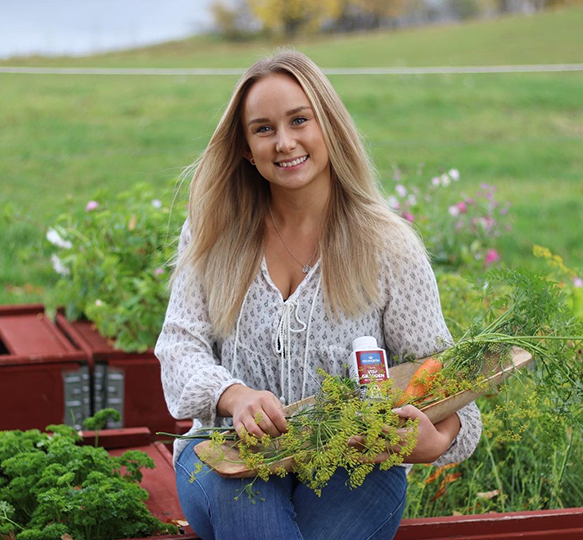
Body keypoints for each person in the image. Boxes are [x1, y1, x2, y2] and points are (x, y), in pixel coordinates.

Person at [155, 49, 481, 540]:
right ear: (245, 147)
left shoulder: (387, 246)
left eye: (299, 120)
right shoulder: (213, 233)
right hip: (226, 455)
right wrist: (233, 395)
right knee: (246, 506)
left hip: (357, 464)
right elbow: (179, 346)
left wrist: (435, 441)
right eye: (264, 129)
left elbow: (446, 375)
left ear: (327, 123)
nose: (284, 142)